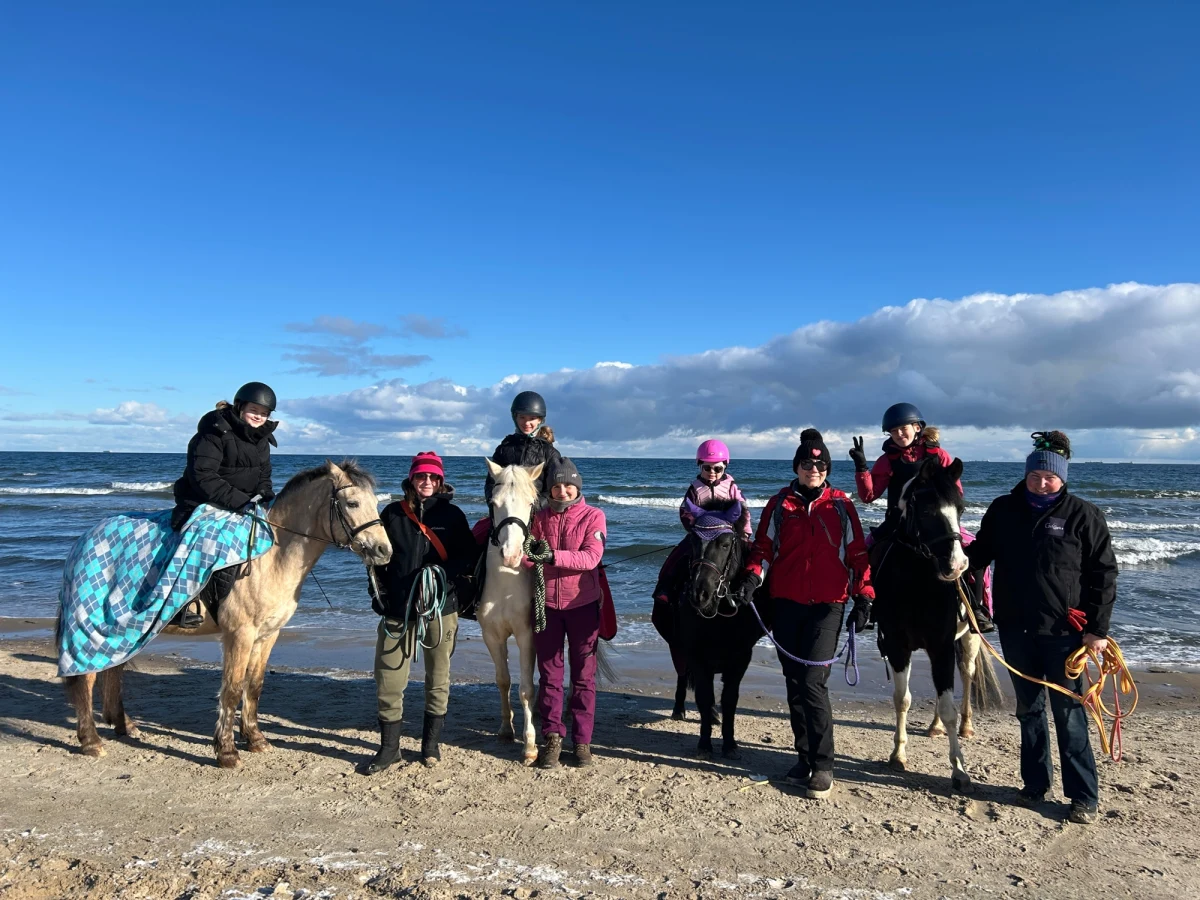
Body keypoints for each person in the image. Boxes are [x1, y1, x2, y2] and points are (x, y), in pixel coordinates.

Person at [964, 431, 1118, 825]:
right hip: (1016, 630)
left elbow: (1103, 574)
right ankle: (1035, 784)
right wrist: (954, 560)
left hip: (1066, 635)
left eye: (1049, 476)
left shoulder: (1084, 515)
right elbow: (980, 553)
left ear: (1062, 477)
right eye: (1036, 475)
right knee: (1028, 711)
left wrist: (1097, 630)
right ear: (1027, 474)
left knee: (1069, 713)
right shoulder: (1003, 509)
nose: (1041, 481)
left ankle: (1083, 796)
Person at [736, 429, 873, 800]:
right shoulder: (780, 505)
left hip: (829, 604)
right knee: (794, 682)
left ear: (827, 468)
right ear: (796, 466)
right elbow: (763, 548)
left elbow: (857, 554)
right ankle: (803, 758)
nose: (814, 468)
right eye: (807, 463)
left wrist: (864, 596)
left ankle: (824, 764)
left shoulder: (841, 506)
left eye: (820, 463)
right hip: (787, 602)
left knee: (813, 681)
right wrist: (751, 579)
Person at [364, 452, 478, 773]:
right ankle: (389, 750)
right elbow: (375, 560)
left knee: (438, 677)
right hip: (397, 609)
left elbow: (467, 556)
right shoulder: (391, 514)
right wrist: (378, 594)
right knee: (388, 677)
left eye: (433, 478)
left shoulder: (453, 515)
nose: (426, 482)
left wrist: (440, 573)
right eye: (421, 477)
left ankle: (430, 746)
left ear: (440, 481)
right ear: (411, 479)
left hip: (441, 609)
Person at [849, 403, 994, 632]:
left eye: (902, 429)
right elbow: (868, 496)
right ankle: (869, 607)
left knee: (973, 555)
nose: (898, 435)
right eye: (893, 431)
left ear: (917, 427)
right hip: (897, 522)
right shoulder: (889, 459)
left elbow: (956, 493)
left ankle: (977, 610)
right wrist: (861, 467)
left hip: (936, 523)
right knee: (864, 554)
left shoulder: (938, 455)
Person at [169, 381, 278, 627]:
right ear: (239, 407)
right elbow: (203, 476)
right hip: (201, 500)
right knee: (202, 538)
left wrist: (265, 494)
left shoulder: (262, 438)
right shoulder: (214, 432)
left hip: (242, 504)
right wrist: (241, 501)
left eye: (264, 413)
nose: (259, 417)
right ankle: (180, 604)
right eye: (254, 410)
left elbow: (264, 475)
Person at [529, 458, 607, 769]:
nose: (562, 491)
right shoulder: (538, 517)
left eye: (568, 485)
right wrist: (530, 556)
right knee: (549, 676)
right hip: (545, 607)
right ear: (549, 488)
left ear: (578, 487)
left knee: (583, 678)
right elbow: (527, 556)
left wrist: (549, 555)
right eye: (556, 486)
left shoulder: (594, 516)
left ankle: (583, 742)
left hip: (583, 606)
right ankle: (552, 738)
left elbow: (590, 557)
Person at [484, 391, 562, 508]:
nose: (526, 422)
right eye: (522, 417)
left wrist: (533, 507)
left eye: (532, 418)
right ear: (515, 417)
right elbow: (491, 483)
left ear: (540, 420)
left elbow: (553, 489)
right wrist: (495, 504)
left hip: (537, 513)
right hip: (506, 512)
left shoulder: (550, 453)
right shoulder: (504, 449)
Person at [679, 439, 752, 541]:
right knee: (678, 554)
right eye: (707, 468)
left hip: (727, 532)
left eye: (718, 469)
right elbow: (685, 511)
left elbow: (744, 510)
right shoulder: (694, 489)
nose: (712, 472)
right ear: (700, 466)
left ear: (724, 467)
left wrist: (745, 532)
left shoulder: (731, 487)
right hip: (702, 531)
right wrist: (694, 528)